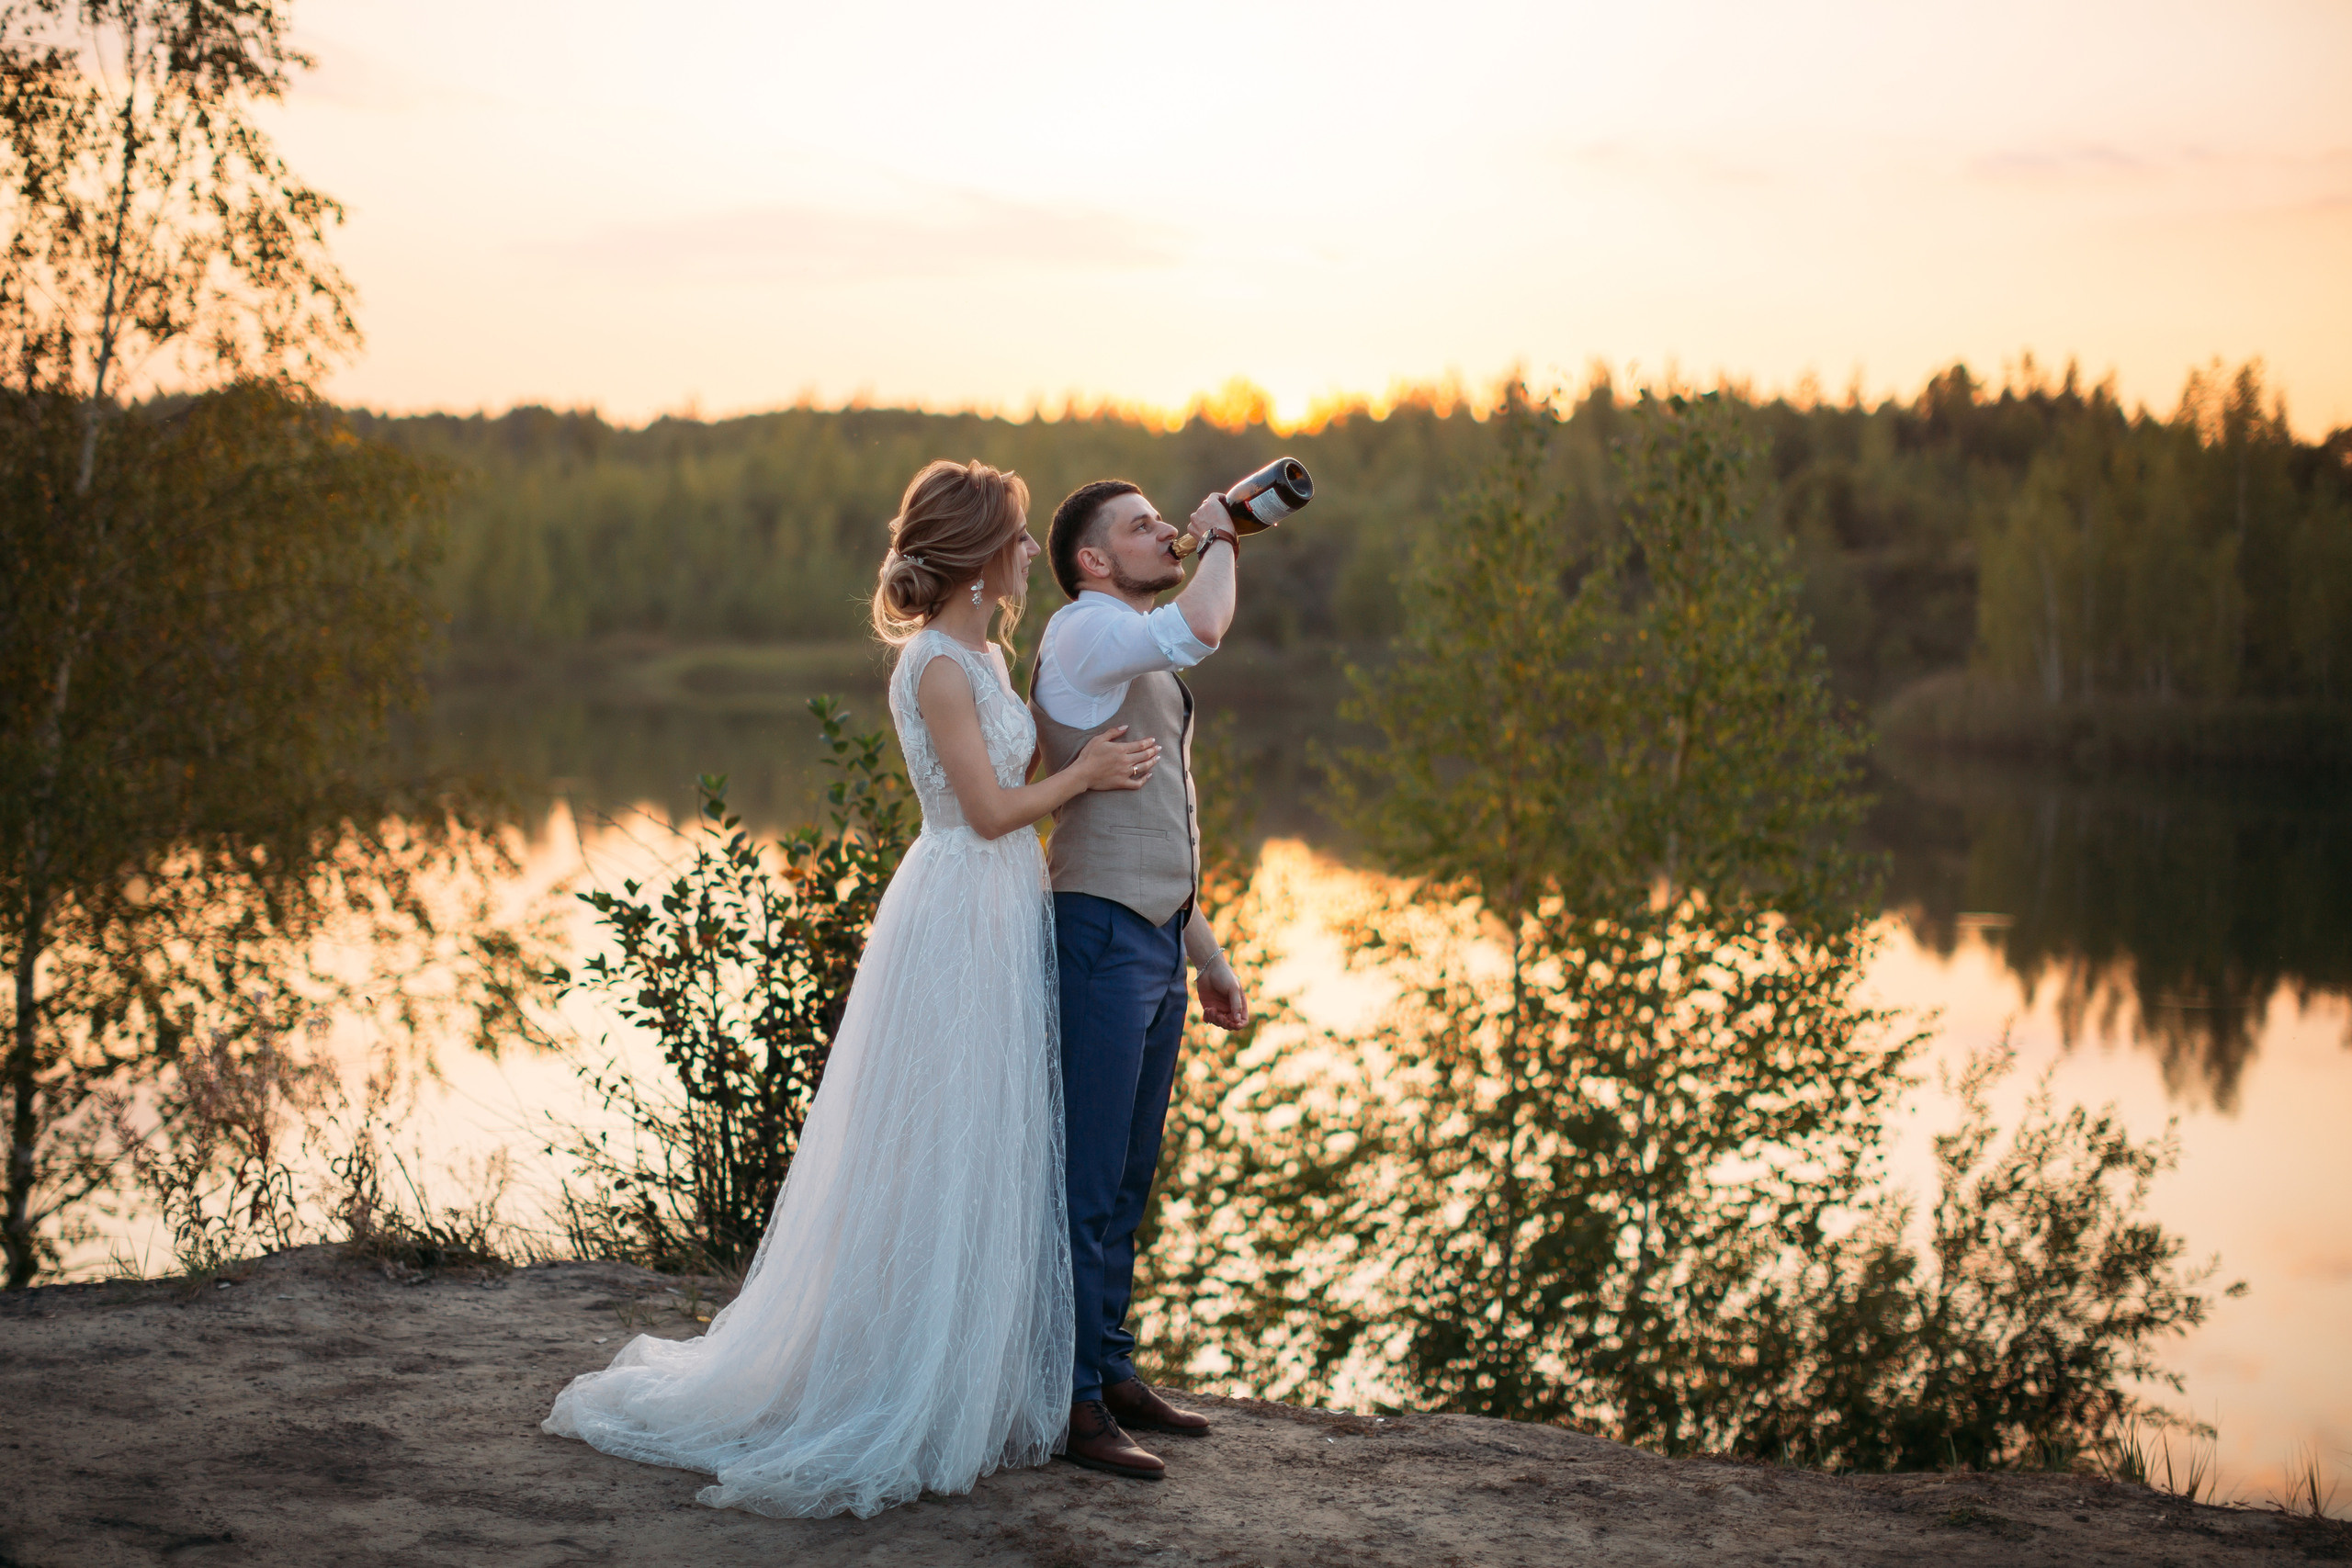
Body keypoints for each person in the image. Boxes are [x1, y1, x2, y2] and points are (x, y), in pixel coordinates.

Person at [543, 459, 1159, 1518]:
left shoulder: (986, 651)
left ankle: (995, 1369)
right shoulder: (934, 665)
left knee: (991, 1140)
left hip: (1002, 907)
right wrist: (1083, 777)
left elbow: (1013, 795)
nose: (1027, 555)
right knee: (943, 1137)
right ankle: (896, 1378)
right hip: (960, 906)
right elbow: (981, 809)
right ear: (976, 558)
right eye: (1015, 538)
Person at [1030, 479, 1253, 1482]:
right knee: (1084, 1180)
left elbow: (1156, 823)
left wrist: (1205, 957)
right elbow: (1204, 622)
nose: (1164, 530)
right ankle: (1072, 1403)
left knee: (1125, 1177)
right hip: (1097, 934)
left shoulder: (1131, 642)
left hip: (1154, 941)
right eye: (1140, 526)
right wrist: (1221, 532)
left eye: (1169, 519)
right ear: (1090, 562)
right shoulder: (1083, 634)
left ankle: (1111, 1371)